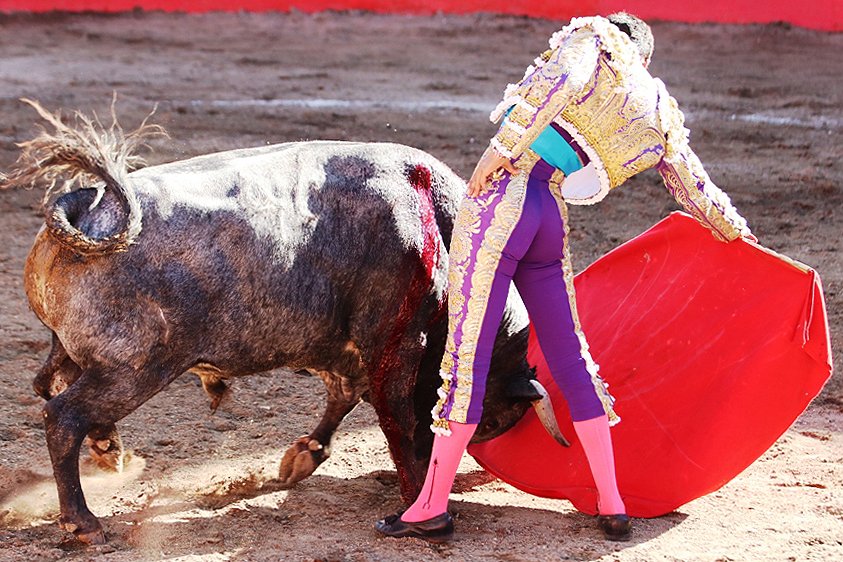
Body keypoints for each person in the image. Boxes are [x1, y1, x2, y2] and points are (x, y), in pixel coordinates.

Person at [375, 12, 753, 542]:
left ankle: (431, 507)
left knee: (466, 359)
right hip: (549, 218)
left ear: (618, 38)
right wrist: (738, 233)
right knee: (574, 360)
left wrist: (501, 149)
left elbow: (561, 80)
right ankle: (613, 503)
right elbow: (696, 188)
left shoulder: (594, 41)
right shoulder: (657, 110)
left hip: (505, 200)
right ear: (644, 57)